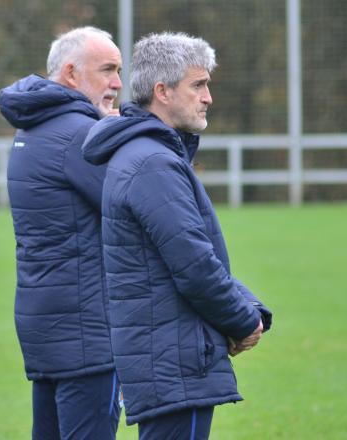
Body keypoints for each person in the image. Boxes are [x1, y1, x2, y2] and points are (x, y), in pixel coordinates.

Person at [82, 32, 273, 439]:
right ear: (162, 92)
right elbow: (194, 265)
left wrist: (249, 306)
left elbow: (190, 256)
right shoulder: (151, 162)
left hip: (170, 355)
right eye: (198, 85)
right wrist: (242, 320)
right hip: (174, 360)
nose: (208, 98)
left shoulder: (152, 154)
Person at [0, 26, 122, 439]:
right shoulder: (80, 136)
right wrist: (124, 140)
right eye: (106, 70)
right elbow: (141, 201)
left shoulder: (33, 128)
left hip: (48, 326)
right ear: (70, 73)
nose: (117, 83)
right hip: (86, 334)